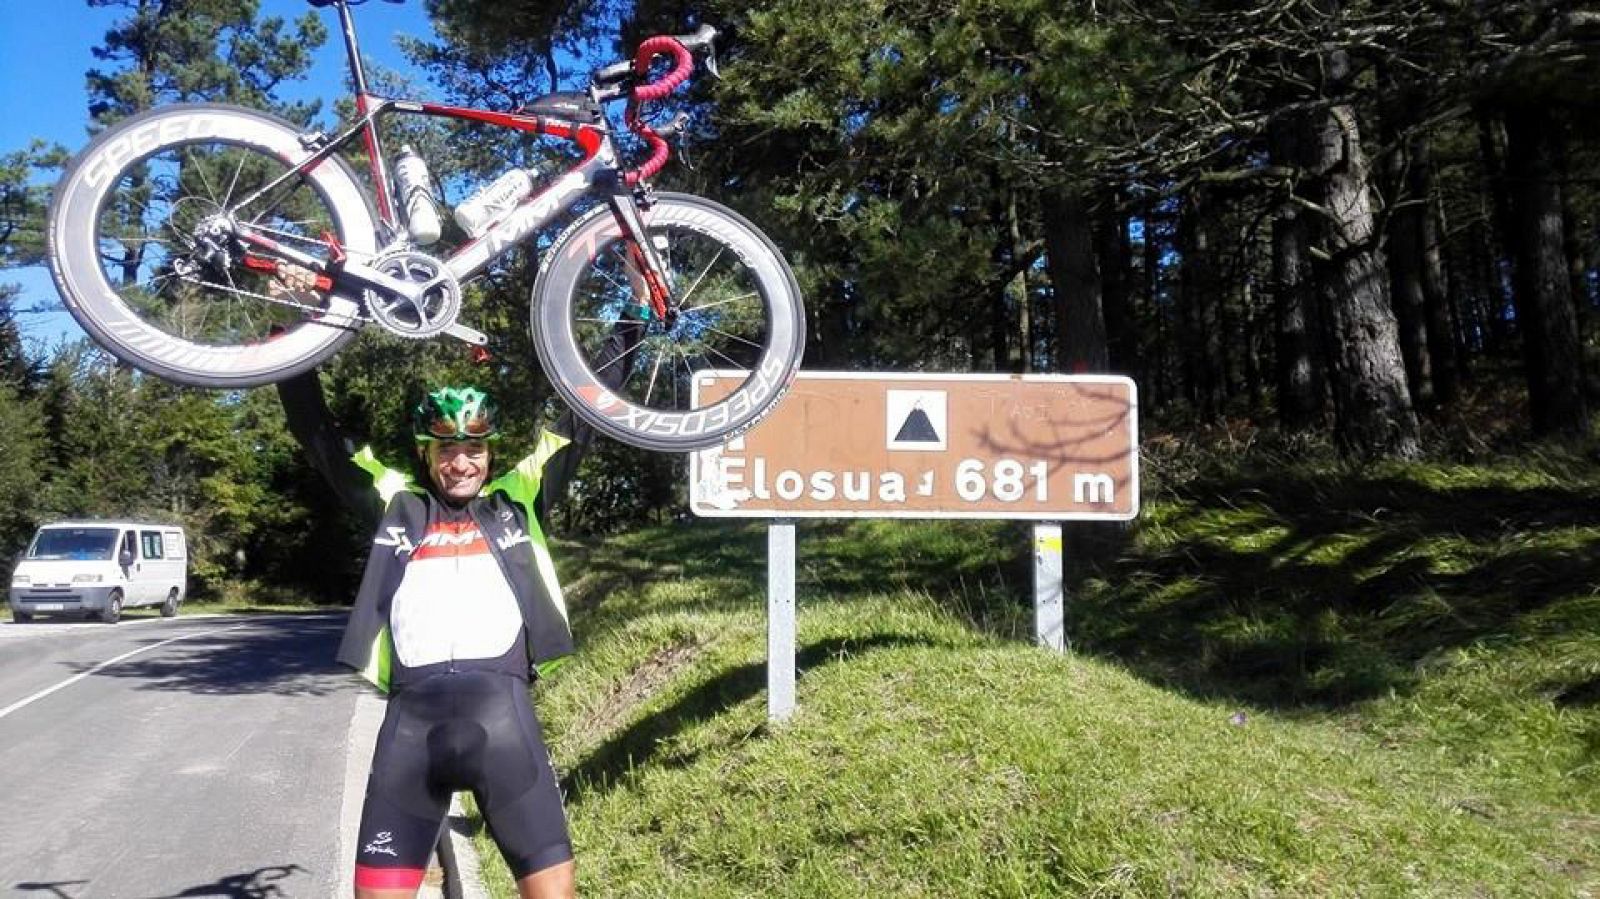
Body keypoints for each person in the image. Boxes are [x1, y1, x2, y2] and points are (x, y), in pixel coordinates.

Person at [278, 322, 641, 899]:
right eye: (447, 448)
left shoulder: (519, 500)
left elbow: (584, 415)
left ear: (490, 451)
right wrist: (289, 331)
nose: (462, 462)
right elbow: (318, 436)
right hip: (409, 735)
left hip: (505, 727)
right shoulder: (396, 503)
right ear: (427, 455)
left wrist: (631, 322)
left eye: (475, 448)